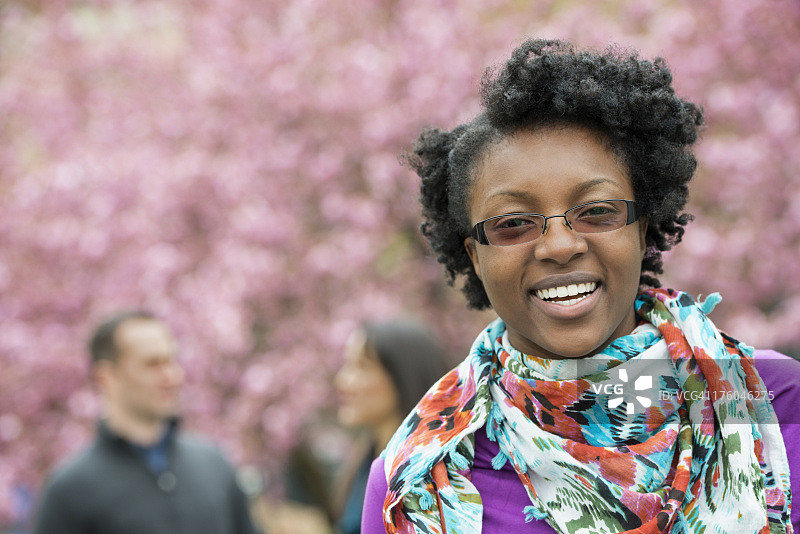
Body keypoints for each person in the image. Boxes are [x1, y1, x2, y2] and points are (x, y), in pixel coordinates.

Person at [362, 39, 800, 534]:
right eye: (513, 224)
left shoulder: (778, 401)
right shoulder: (414, 481)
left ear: (641, 227)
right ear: (474, 257)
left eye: (596, 212)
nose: (559, 246)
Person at [34, 310, 261, 534]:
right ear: (106, 377)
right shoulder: (70, 491)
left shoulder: (214, 465)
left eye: (171, 361)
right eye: (152, 364)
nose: (171, 376)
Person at [333, 320, 451, 534]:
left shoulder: (423, 478)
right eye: (347, 364)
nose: (342, 381)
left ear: (404, 375)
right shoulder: (363, 462)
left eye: (361, 366)